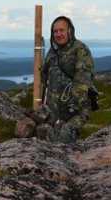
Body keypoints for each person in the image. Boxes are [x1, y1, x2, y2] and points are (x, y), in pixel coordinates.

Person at [35, 15, 96, 144]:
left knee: (63, 142)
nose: (58, 34)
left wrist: (71, 109)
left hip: (74, 111)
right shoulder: (53, 52)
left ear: (69, 31)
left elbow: (83, 81)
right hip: (53, 111)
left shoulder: (80, 50)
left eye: (61, 30)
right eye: (55, 31)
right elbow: (44, 78)